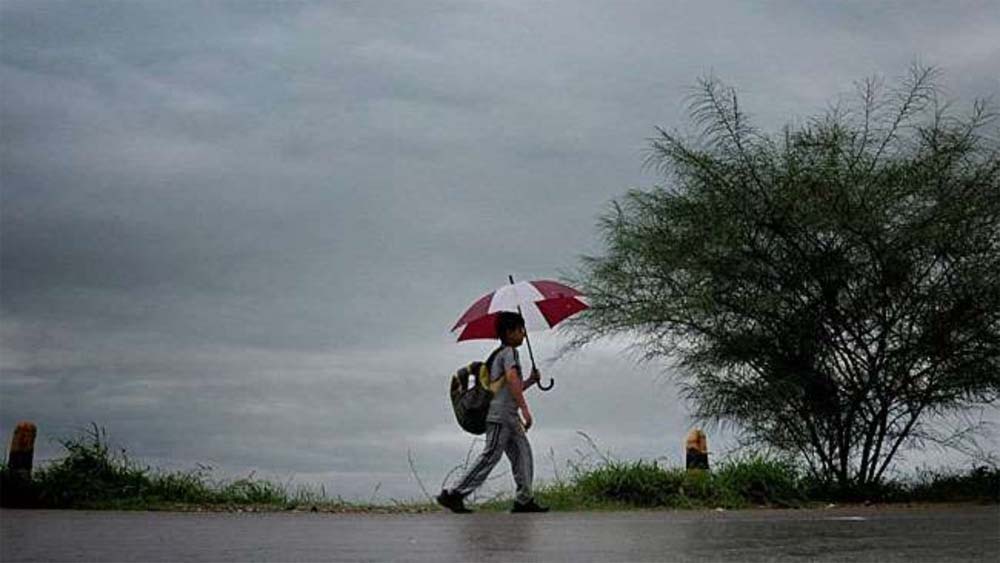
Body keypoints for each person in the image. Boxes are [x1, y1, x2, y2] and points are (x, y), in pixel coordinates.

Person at [437, 311, 549, 513]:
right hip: (500, 416)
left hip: (509, 417)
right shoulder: (509, 353)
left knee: (523, 453)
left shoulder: (501, 355)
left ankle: (524, 500)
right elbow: (512, 378)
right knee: (490, 455)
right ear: (509, 332)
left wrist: (531, 381)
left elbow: (509, 388)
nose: (524, 334)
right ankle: (454, 493)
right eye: (520, 329)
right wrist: (525, 408)